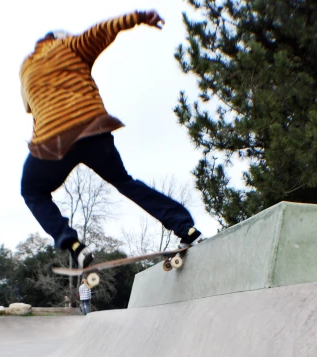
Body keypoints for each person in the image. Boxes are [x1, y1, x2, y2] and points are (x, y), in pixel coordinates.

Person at [19, 10, 202, 269]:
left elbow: (29, 107)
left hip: (52, 141)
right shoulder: (71, 46)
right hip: (92, 129)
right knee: (123, 181)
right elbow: (101, 30)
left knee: (32, 191)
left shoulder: (26, 68)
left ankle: (72, 244)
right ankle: (185, 227)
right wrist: (138, 17)